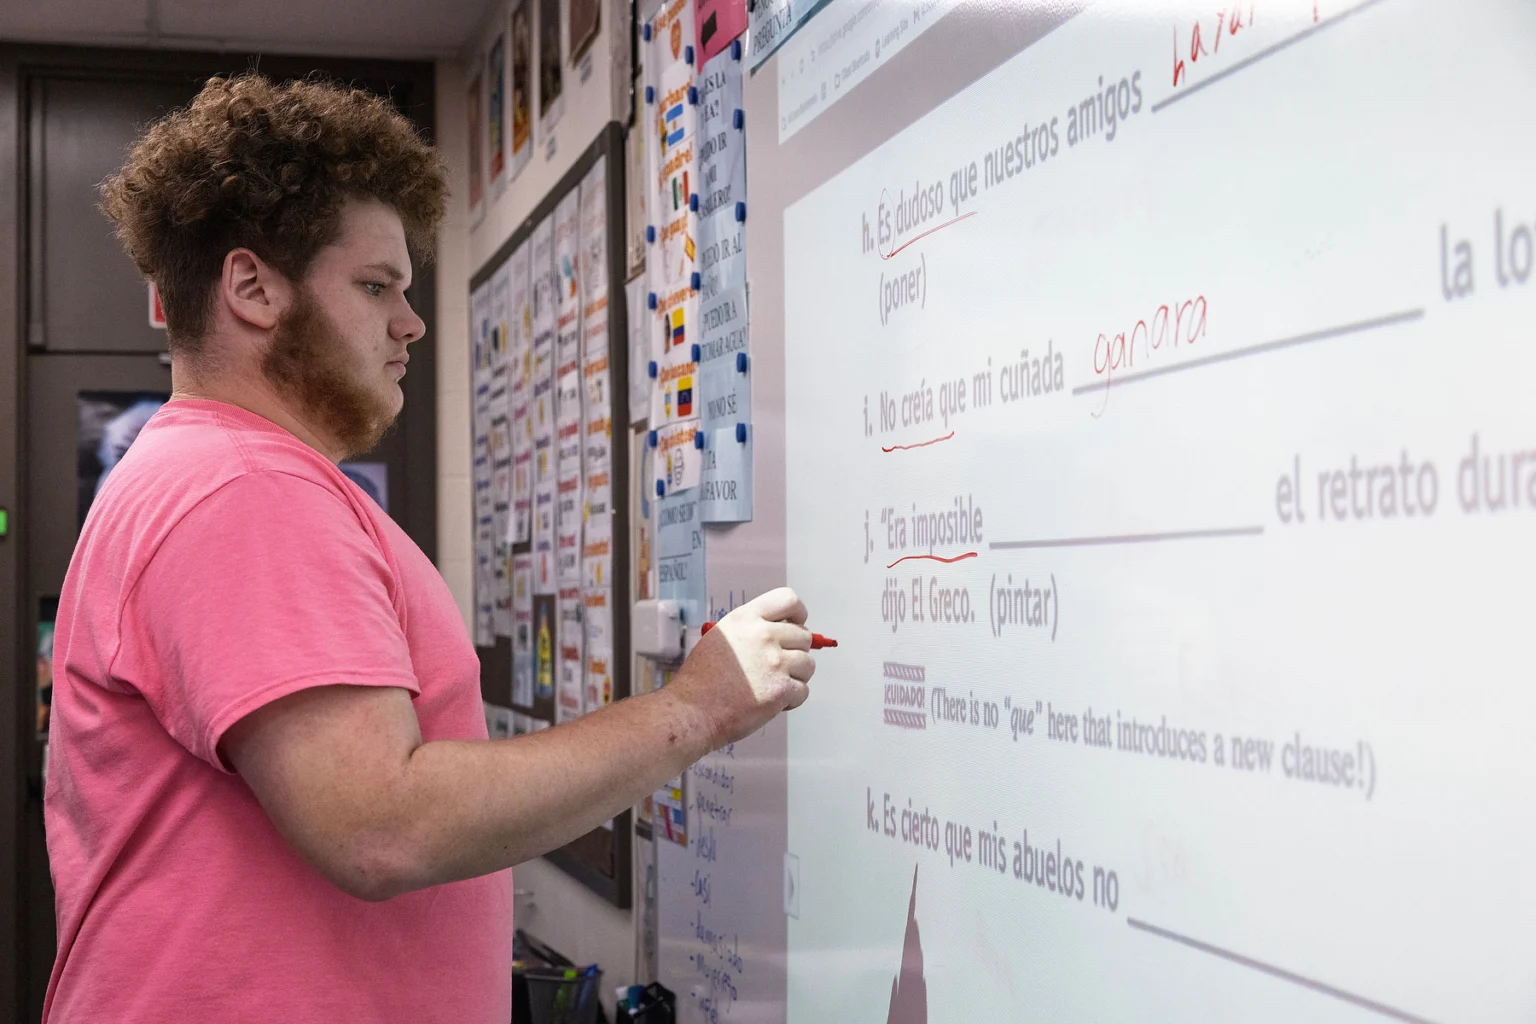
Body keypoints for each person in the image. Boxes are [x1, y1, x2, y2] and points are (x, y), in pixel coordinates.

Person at [43, 72, 816, 1023]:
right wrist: (699, 710)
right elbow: (380, 825)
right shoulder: (245, 490)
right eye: (376, 287)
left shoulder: (207, 475)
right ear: (252, 289)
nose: (409, 322)